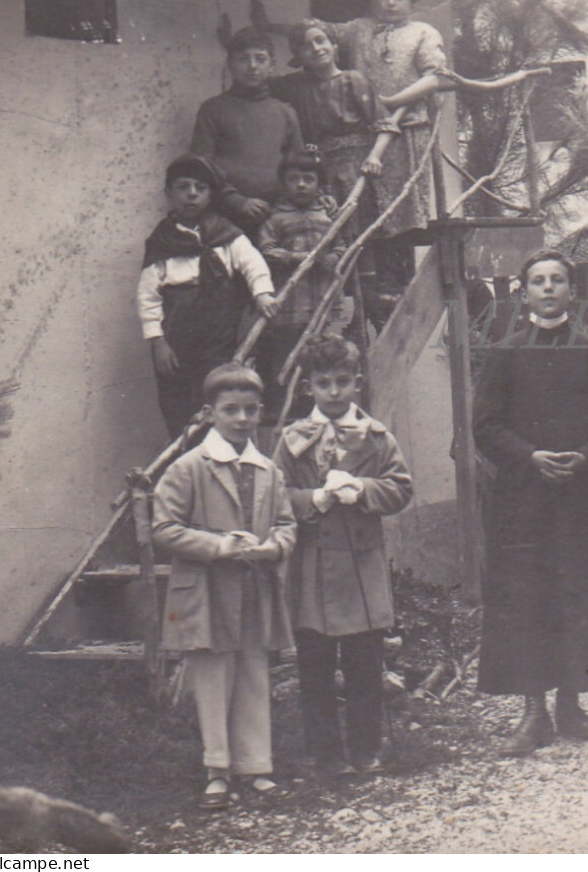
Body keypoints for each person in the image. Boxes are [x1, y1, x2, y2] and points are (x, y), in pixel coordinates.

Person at [473, 251, 588, 756]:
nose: (548, 288)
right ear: (523, 292)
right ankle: (533, 713)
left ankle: (570, 705)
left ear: (572, 290)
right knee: (528, 598)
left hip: (582, 499)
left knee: (578, 594)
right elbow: (485, 426)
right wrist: (530, 456)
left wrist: (586, 458)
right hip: (523, 501)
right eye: (538, 281)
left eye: (557, 280)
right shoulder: (504, 353)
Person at [151, 364, 297, 810]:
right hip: (207, 588)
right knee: (214, 675)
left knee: (253, 670)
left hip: (254, 586)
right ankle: (217, 770)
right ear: (209, 412)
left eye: (250, 410)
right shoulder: (188, 468)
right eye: (230, 409)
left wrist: (273, 547)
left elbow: (286, 523)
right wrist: (219, 546)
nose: (241, 419)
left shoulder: (268, 470)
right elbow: (165, 529)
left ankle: (255, 766)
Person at [273, 337, 414, 778]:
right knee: (314, 667)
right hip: (313, 566)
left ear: (357, 383)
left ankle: (366, 750)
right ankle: (326, 755)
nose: (333, 391)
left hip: (361, 567)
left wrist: (363, 490)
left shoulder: (377, 437)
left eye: (341, 381)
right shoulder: (292, 440)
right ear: (308, 387)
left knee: (364, 665)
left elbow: (401, 488)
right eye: (323, 383)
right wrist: (312, 498)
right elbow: (273, 495)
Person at [327, 0, 454, 315]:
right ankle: (372, 294)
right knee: (366, 205)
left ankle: (397, 287)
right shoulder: (358, 29)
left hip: (406, 129)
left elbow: (434, 77)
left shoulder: (422, 33)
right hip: (363, 134)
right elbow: (321, 33)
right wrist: (265, 26)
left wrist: (392, 101)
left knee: (400, 207)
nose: (391, 2)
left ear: (412, 2)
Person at [138, 157, 278, 439]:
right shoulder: (162, 241)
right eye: (183, 187)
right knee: (177, 400)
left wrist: (262, 294)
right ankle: (185, 453)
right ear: (169, 193)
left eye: (200, 188)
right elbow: (148, 296)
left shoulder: (225, 234)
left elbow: (252, 263)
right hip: (177, 337)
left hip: (218, 336)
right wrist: (158, 342)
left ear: (211, 195)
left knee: (217, 392)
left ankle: (220, 450)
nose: (192, 194)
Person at [270, 19, 399, 323]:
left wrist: (375, 157)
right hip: (318, 172)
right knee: (328, 238)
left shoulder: (353, 80)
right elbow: (263, 78)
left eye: (321, 41)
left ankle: (370, 313)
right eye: (306, 45)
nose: (315, 49)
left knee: (359, 238)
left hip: (354, 167)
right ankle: (339, 315)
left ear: (334, 45)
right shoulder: (296, 87)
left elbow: (385, 126)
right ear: (298, 55)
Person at [257, 153, 346, 424]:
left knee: (321, 353)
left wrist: (334, 258)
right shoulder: (275, 219)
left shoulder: (327, 216)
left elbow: (342, 244)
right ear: (283, 184)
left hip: (323, 299)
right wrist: (294, 258)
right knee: (288, 352)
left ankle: (318, 403)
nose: (301, 185)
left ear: (318, 183)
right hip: (292, 302)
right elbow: (266, 249)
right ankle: (286, 404)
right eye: (293, 179)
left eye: (308, 179)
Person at [189, 27, 305, 231]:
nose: (252, 66)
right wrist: (237, 201)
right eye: (243, 59)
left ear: (271, 65)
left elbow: (299, 167)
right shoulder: (213, 110)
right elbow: (201, 167)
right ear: (230, 65)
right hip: (226, 217)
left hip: (278, 216)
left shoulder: (285, 112)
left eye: (260, 59)